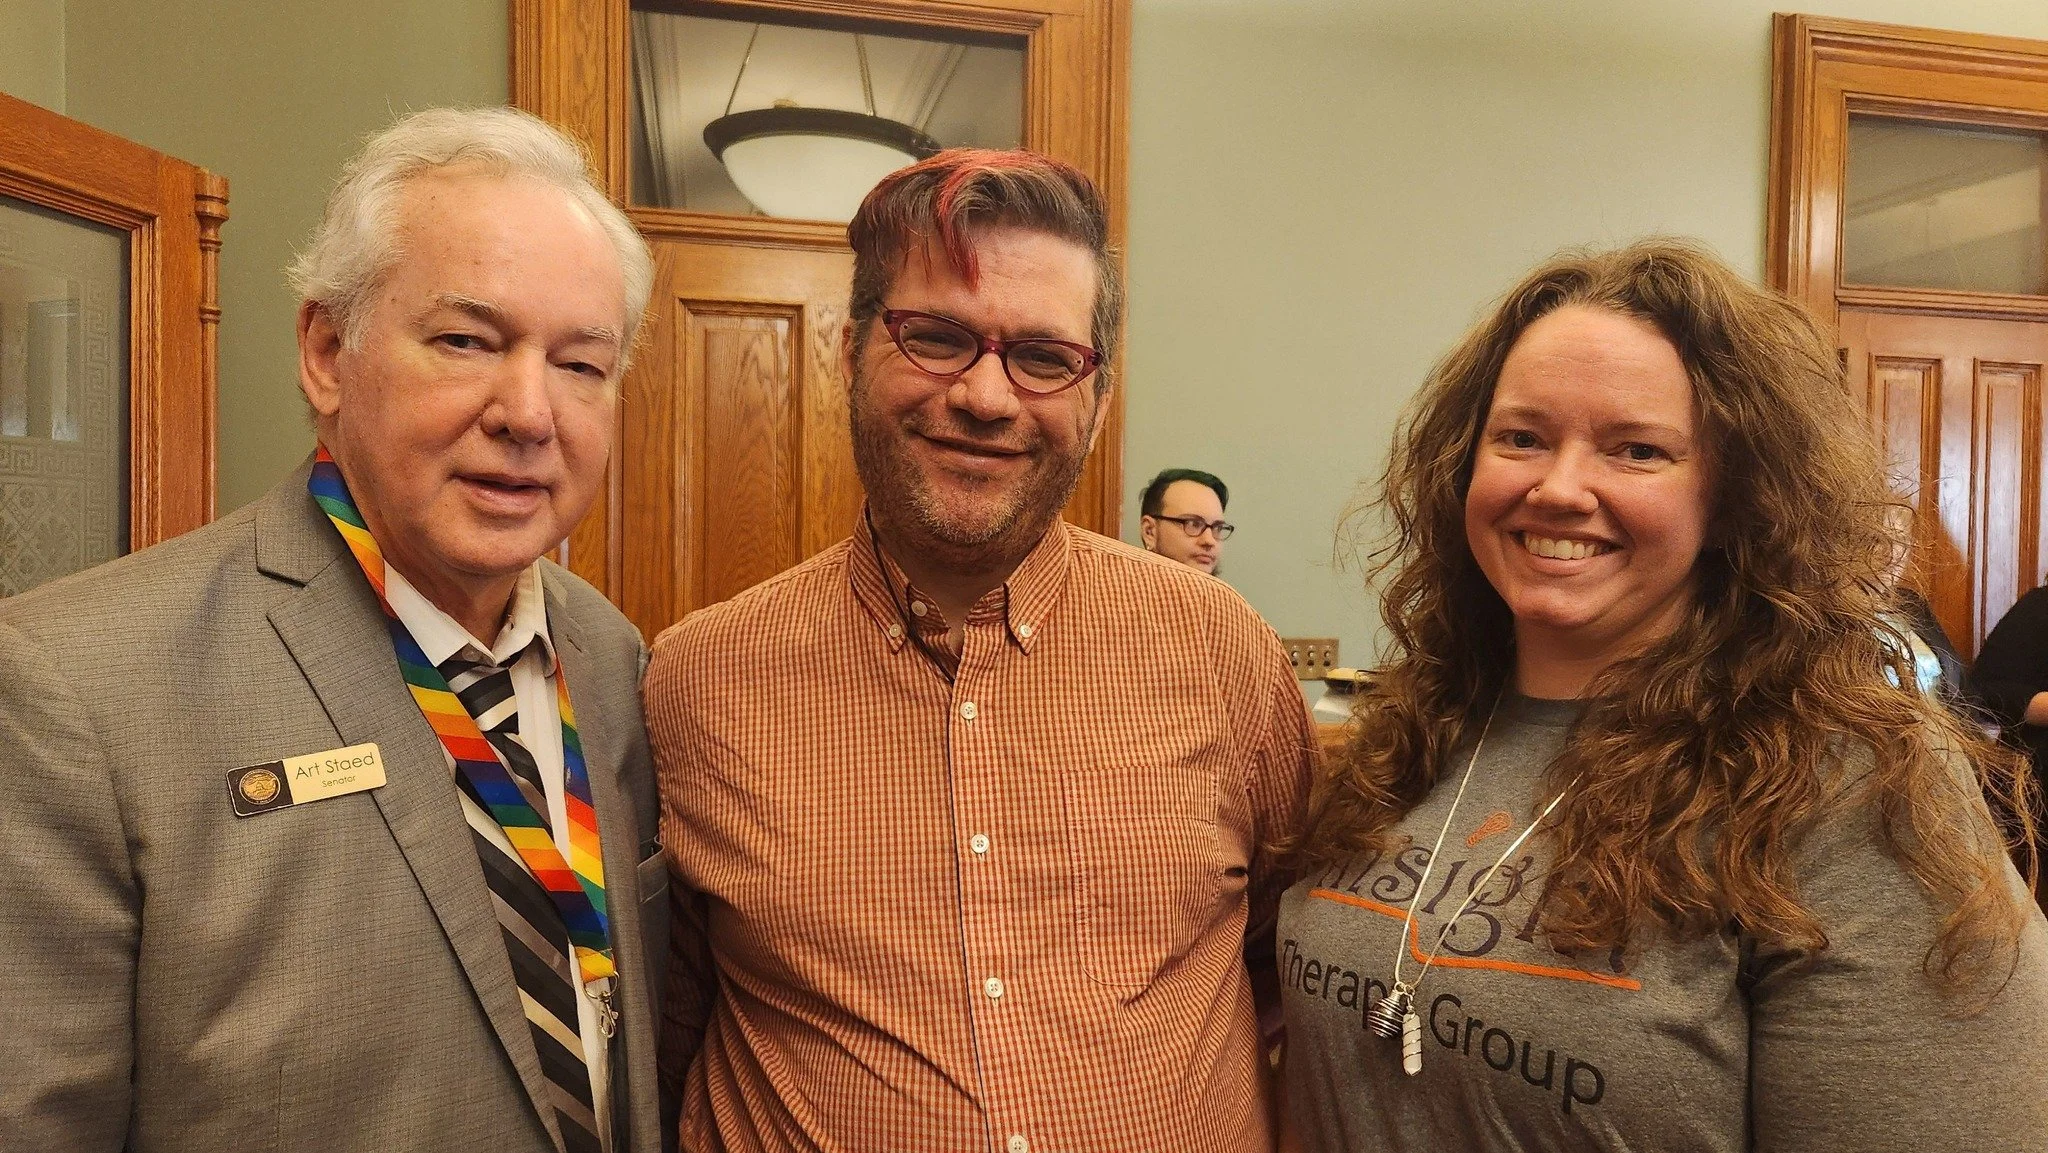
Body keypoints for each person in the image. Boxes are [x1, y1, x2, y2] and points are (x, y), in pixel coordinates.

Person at [0, 108, 673, 1153]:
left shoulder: (614, 656)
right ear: (327, 351)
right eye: (465, 340)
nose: (530, 412)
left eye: (580, 363)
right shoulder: (78, 688)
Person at [1278, 240, 2048, 1151]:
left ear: (1730, 501)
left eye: (1636, 450)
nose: (1559, 488)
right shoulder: (1413, 731)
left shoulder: (1855, 788)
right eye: (1521, 437)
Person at [644, 149, 1314, 1151]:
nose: (987, 396)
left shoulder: (1226, 657)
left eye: (1042, 356)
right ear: (847, 350)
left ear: (1097, 389)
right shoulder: (697, 679)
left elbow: (1287, 962)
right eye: (938, 337)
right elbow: (667, 1022)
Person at [1139, 467, 1233, 574]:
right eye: (1193, 524)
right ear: (1149, 532)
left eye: (1217, 528)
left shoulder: (1225, 591)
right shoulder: (1123, 588)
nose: (1209, 541)